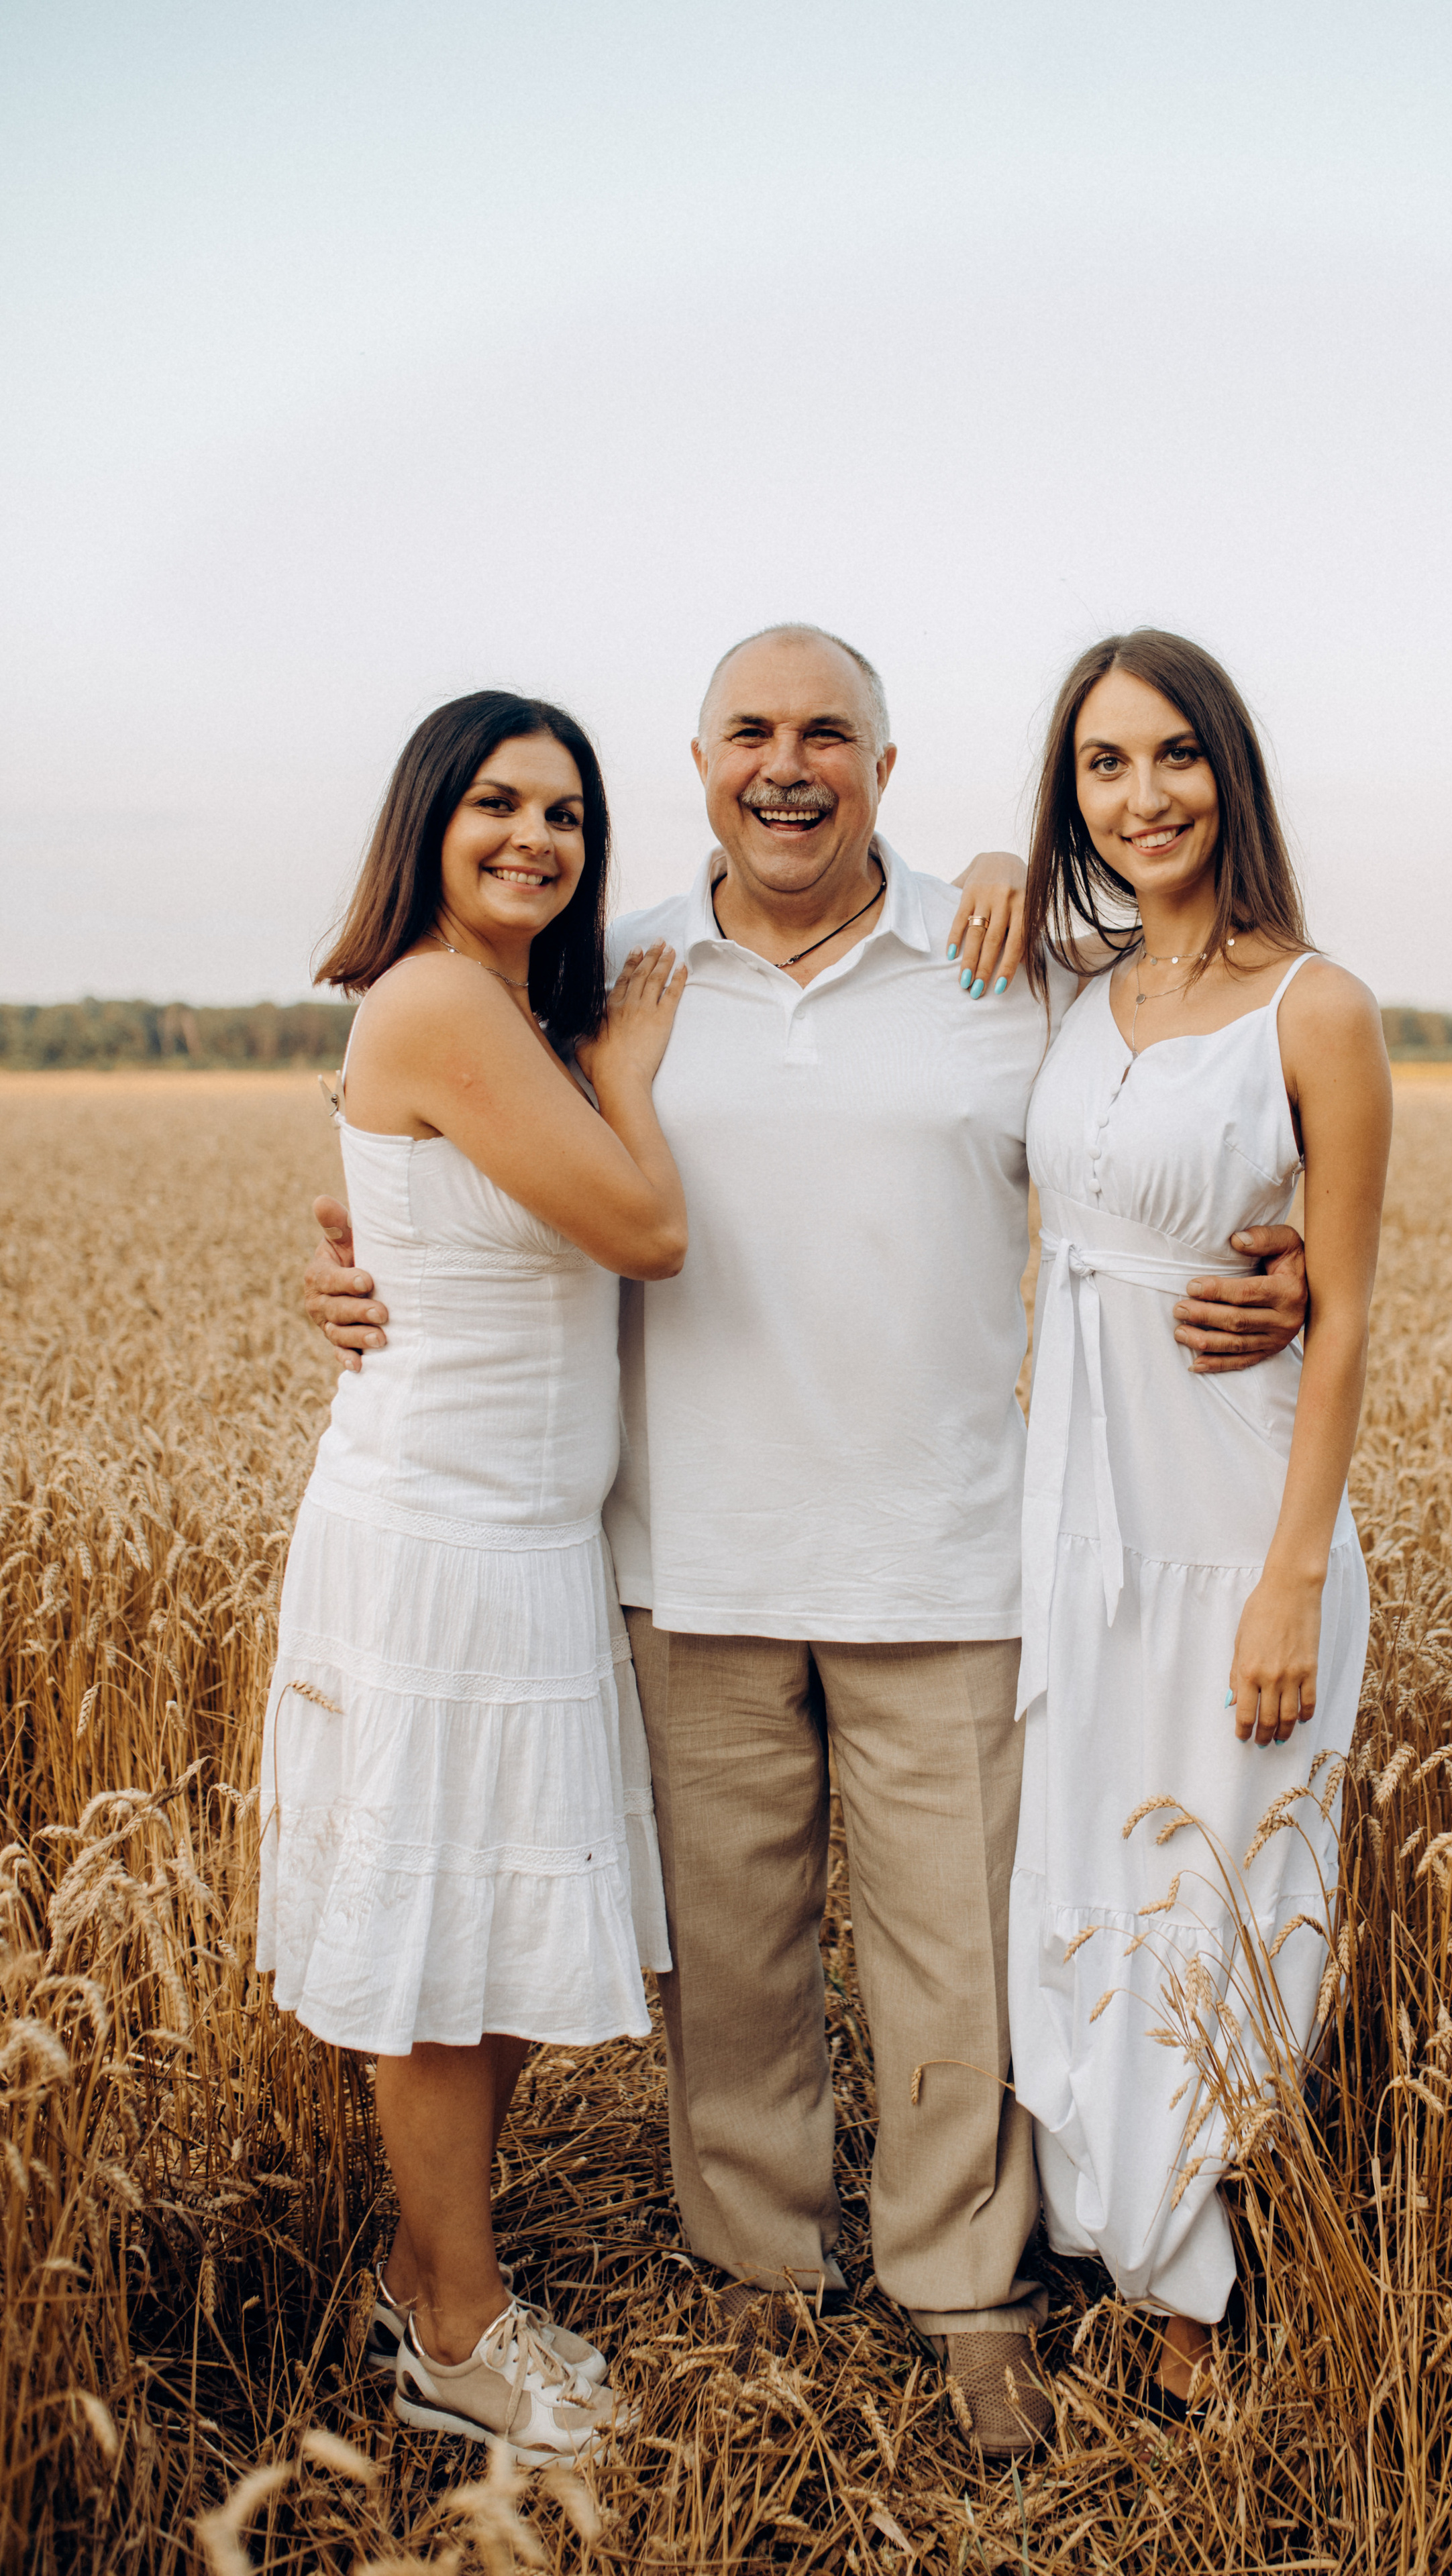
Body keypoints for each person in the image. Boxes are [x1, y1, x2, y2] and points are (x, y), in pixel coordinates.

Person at [305, 627, 1310, 2456]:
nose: (789, 764)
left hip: (948, 1550)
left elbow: (1183, 1116)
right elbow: (425, 1155)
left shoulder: (1008, 960)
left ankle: (961, 2290)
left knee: (953, 1964)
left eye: (826, 733)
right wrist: (346, 1266)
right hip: (682, 1550)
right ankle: (758, 2284)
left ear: (887, 767)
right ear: (693, 766)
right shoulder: (605, 979)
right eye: (750, 733)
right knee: (736, 1974)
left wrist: (1293, 1259)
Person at [260, 690, 688, 2465]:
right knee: (447, 1961)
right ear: (430, 819)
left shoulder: (493, 1003)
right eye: (500, 803)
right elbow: (648, 1229)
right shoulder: (447, 997)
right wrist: (635, 1086)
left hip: (513, 1538)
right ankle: (450, 2326)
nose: (537, 838)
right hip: (443, 1540)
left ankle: (429, 2272)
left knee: (487, 1944)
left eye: (569, 813)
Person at [1008, 630, 1391, 2424]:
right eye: (1102, 765)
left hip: (1229, 1526)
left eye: (1171, 757)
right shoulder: (1066, 984)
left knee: (1221, 1894)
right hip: (1073, 1523)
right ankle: (1120, 2234)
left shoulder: (1315, 1004)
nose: (1140, 796)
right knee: (1089, 1870)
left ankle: (1197, 2310)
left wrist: (1290, 1580)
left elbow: (1353, 1308)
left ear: (1228, 771)